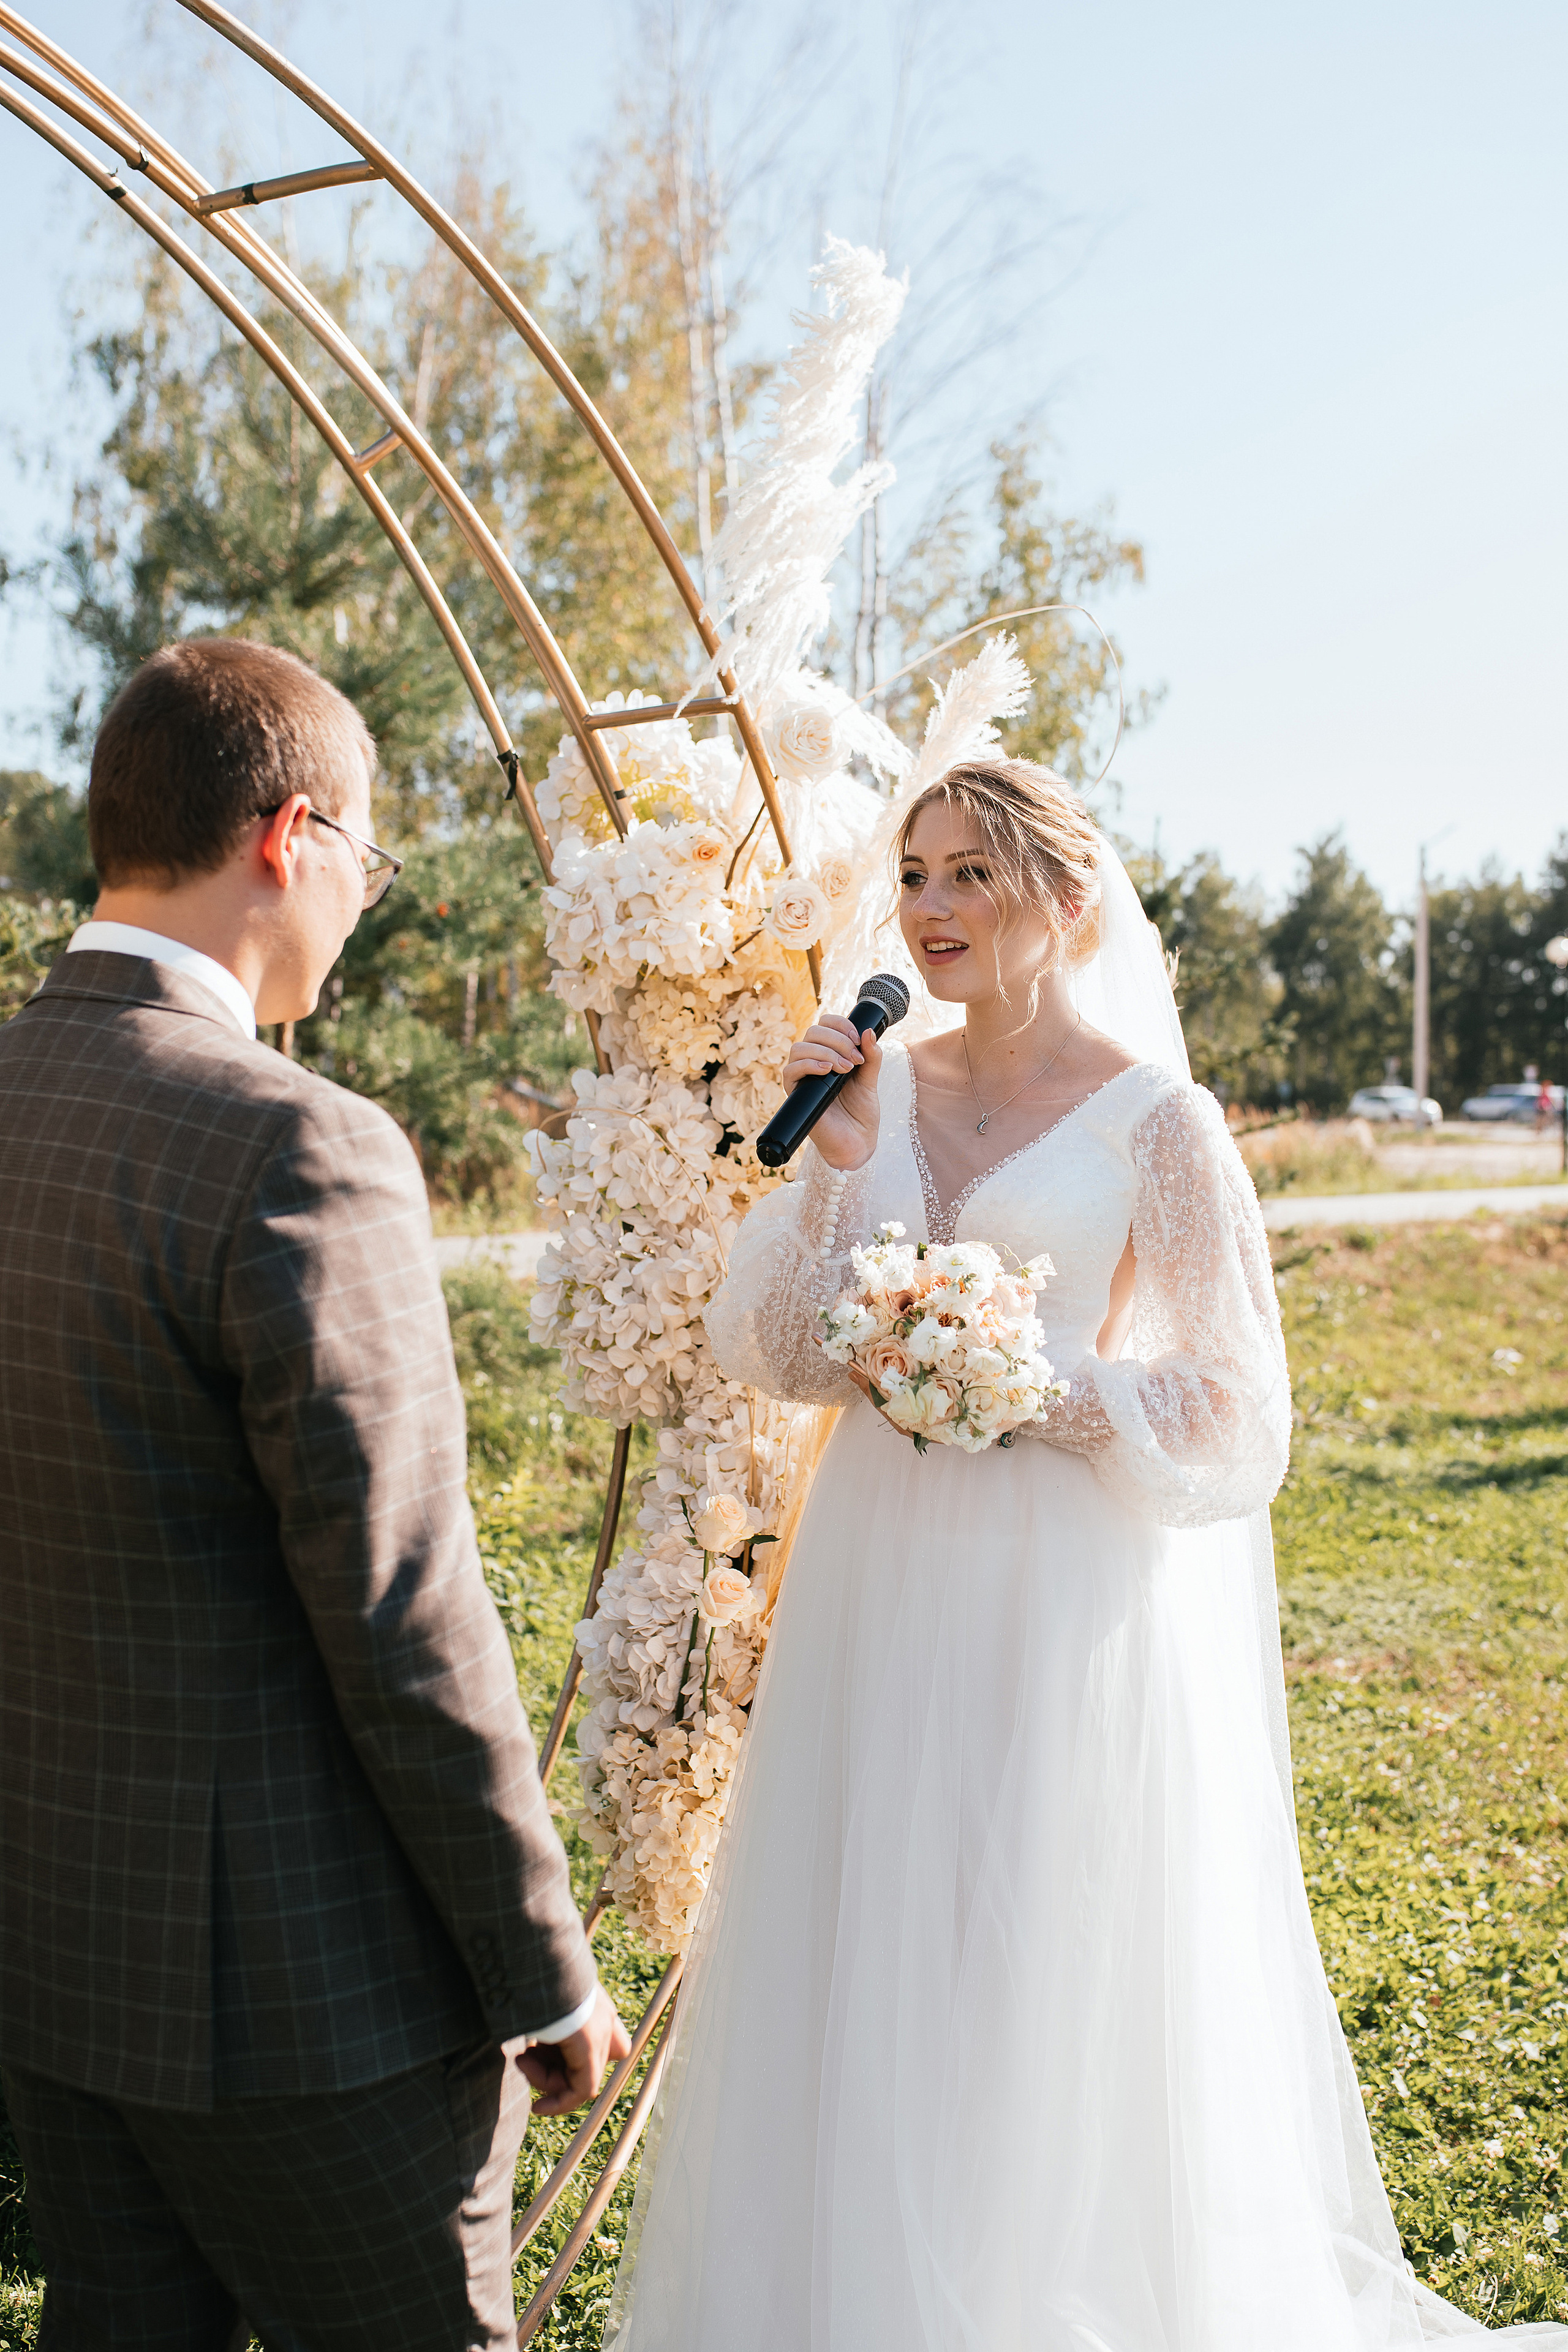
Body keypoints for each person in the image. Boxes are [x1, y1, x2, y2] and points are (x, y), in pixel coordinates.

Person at [605, 759, 1565, 2350]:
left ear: (1069, 898)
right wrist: (840, 1163)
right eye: (916, 874)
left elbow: (1237, 1411)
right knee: (863, 1923)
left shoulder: (1157, 1122)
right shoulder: (878, 1090)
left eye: (971, 874)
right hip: (880, 1563)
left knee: (1022, 1936)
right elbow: (774, 1343)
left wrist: (1027, 1383)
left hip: (1055, 1583)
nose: (930, 907)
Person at [0, 638, 628, 2352]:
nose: (364, 902)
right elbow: (406, 1613)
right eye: (369, 855)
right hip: (305, 2001)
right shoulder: (297, 1144)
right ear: (292, 834)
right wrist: (542, 1966)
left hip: (58, 1955)